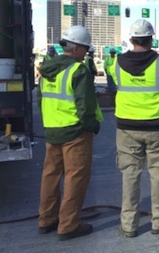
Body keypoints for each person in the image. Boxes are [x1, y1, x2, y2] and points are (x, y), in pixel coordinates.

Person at [110, 19, 159, 238]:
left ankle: (128, 225)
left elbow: (114, 86)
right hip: (158, 125)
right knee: (158, 174)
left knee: (130, 175)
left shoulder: (116, 63)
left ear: (131, 39)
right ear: (151, 39)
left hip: (127, 126)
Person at [38, 25, 102, 241]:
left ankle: (46, 219)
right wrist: (91, 125)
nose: (86, 53)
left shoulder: (46, 69)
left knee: (51, 175)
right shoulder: (78, 70)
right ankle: (68, 225)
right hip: (75, 132)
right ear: (75, 49)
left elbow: (41, 100)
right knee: (76, 178)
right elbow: (85, 105)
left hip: (53, 130)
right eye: (84, 49)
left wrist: (50, 122)